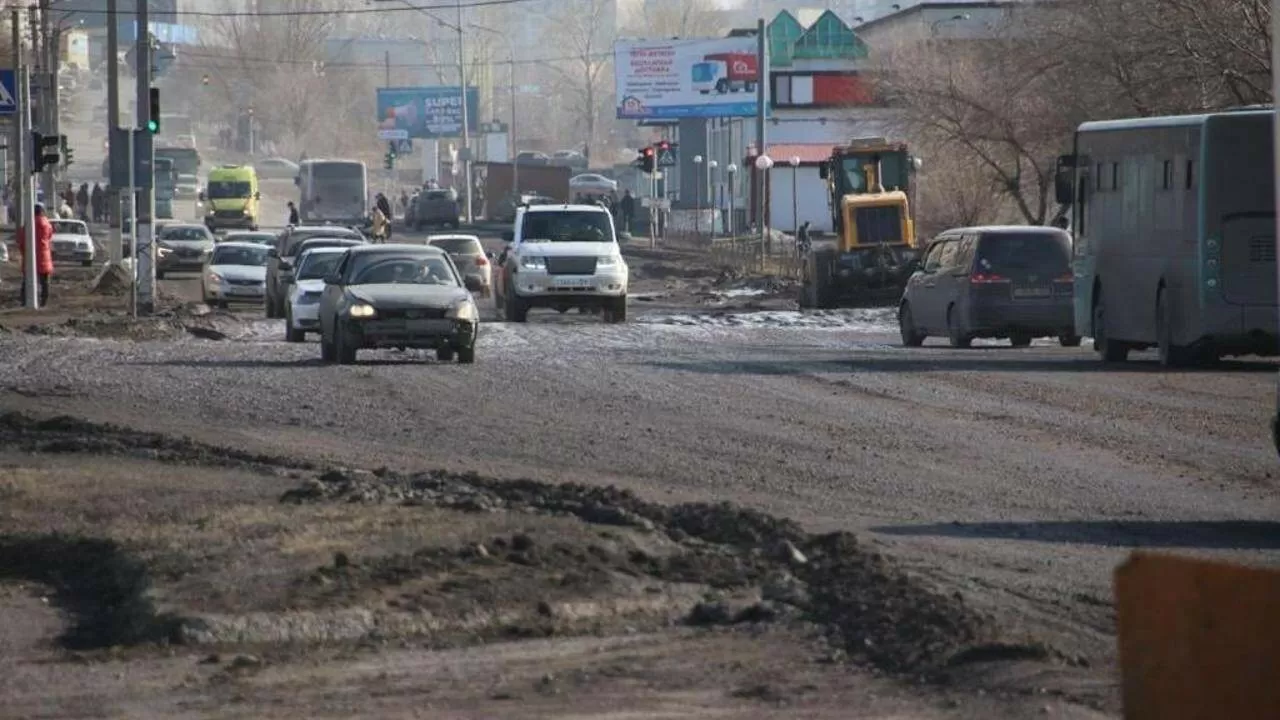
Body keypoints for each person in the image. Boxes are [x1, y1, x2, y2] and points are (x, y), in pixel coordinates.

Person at [16, 202, 54, 306]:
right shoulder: (47, 224)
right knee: (44, 282)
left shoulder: (29, 224)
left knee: (27, 281)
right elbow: (49, 237)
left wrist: (23, 253)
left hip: (30, 256)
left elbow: (22, 241)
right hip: (44, 256)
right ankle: (44, 301)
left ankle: (25, 301)